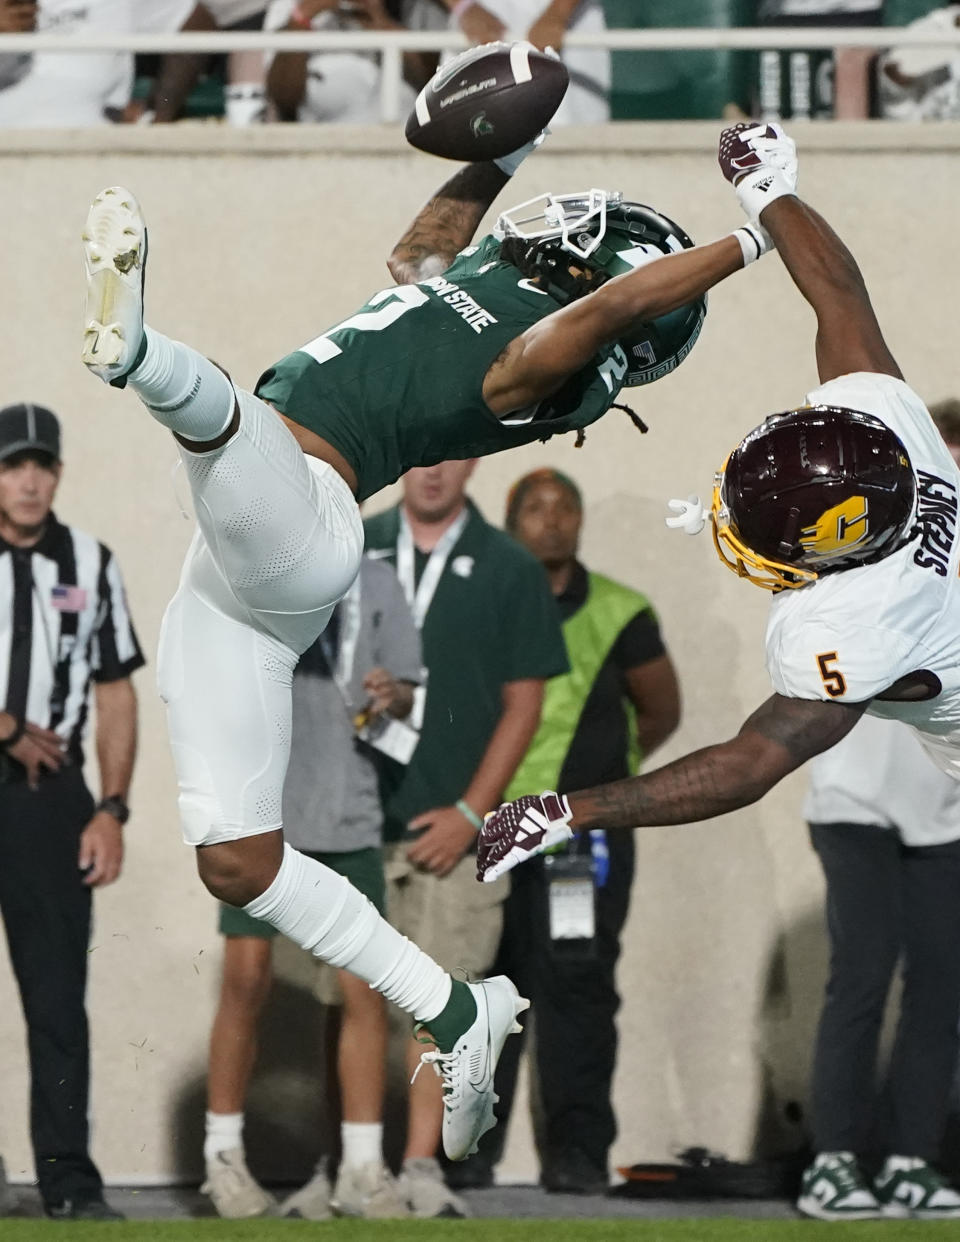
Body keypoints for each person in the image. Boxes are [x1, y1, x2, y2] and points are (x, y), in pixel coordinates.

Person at [78, 93, 773, 1162]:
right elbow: (420, 251)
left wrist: (756, 231)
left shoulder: (545, 370)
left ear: (610, 279)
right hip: (233, 587)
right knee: (236, 860)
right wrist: (506, 152)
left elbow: (596, 319)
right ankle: (456, 1012)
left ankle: (140, 357)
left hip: (307, 514)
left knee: (227, 437)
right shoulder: (484, 291)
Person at [477, 119, 960, 1221]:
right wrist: (774, 191)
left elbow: (745, 766)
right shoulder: (888, 437)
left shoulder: (860, 620)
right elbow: (840, 292)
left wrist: (567, 810)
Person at [453, 466, 679, 1195]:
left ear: (579, 523)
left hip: (585, 838)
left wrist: (609, 782)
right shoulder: (482, 602)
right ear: (510, 523)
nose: (550, 521)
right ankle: (469, 1152)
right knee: (486, 989)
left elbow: (661, 711)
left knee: (579, 992)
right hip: (489, 833)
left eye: (564, 509)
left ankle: (579, 1155)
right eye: (534, 509)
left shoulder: (622, 611)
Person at [363, 459, 568, 1216]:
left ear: (474, 461)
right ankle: (354, 1158)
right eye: (419, 455)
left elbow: (525, 703)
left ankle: (420, 1165)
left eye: (451, 455)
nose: (433, 471)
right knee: (349, 1002)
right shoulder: (354, 544)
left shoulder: (510, 565)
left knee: (441, 1001)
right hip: (358, 818)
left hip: (459, 827)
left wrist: (474, 813)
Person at [202, 554, 423, 1220]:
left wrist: (392, 693)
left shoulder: (378, 576)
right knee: (246, 981)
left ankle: (360, 1167)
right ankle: (222, 1157)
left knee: (363, 991)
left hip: (347, 813)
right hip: (261, 814)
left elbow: (410, 687)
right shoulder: (251, 569)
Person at [0, 403, 143, 1221]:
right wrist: (8, 727)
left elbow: (115, 687)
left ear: (57, 473)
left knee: (57, 1000)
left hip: (48, 803)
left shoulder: (89, 562)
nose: (28, 480)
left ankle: (68, 1182)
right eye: (14, 464)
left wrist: (114, 807)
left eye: (41, 465)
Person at [795, 714, 960, 1221]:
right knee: (862, 975)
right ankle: (833, 1161)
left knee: (942, 984)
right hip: (850, 805)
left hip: (946, 813)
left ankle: (910, 1162)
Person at [264, 0, 442, 124]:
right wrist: (302, 17)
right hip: (326, 140)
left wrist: (381, 23)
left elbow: (433, 85)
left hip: (400, 136)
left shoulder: (415, 7)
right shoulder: (288, 6)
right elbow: (283, 98)